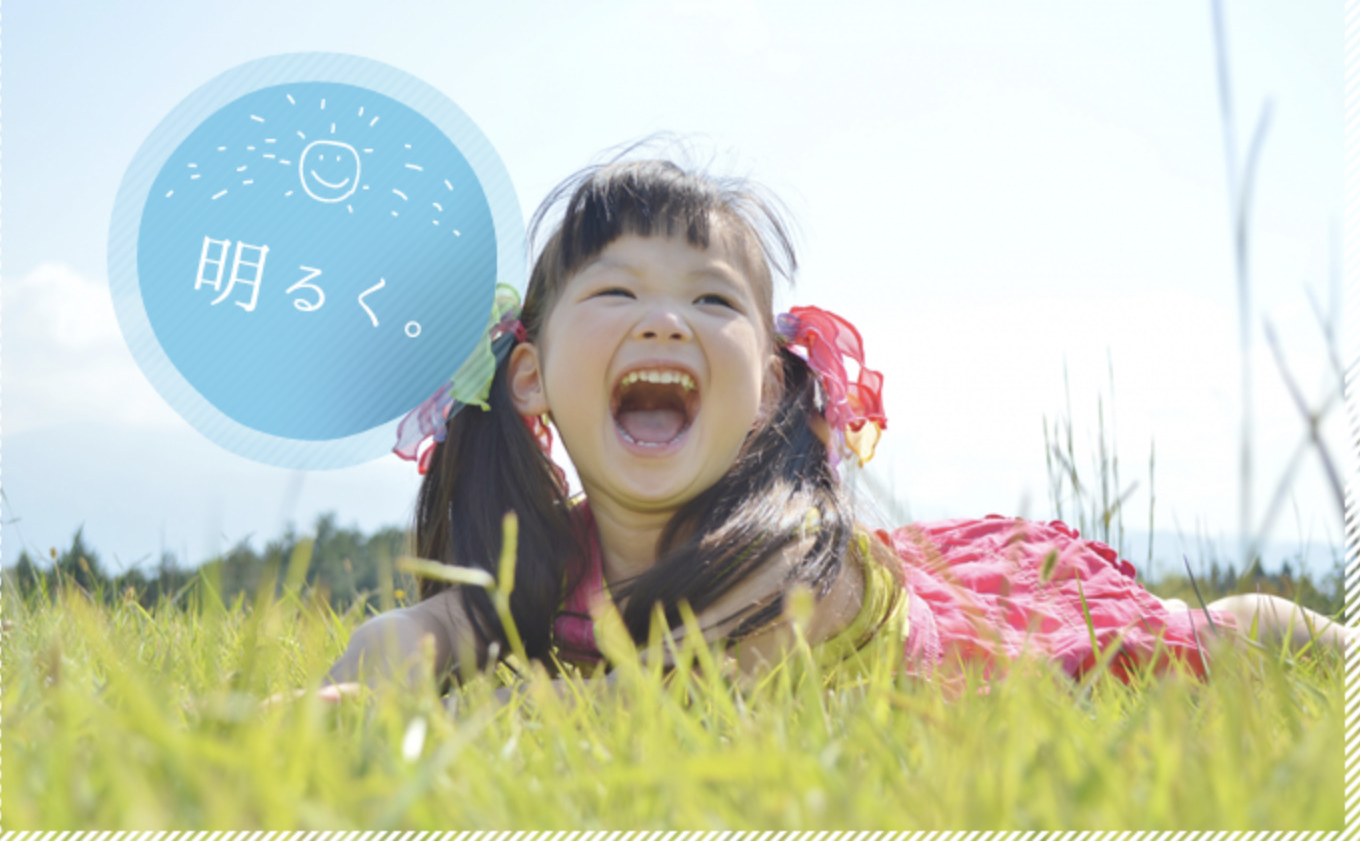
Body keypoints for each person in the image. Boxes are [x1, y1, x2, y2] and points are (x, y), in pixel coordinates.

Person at [325, 157, 1351, 698]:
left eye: (715, 303)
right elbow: (425, 636)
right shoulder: (543, 562)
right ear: (533, 377)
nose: (665, 317)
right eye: (618, 288)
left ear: (769, 388)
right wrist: (357, 691)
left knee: (1206, 641)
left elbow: (704, 702)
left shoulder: (789, 565)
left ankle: (1299, 627)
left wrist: (505, 708)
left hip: (961, 647)